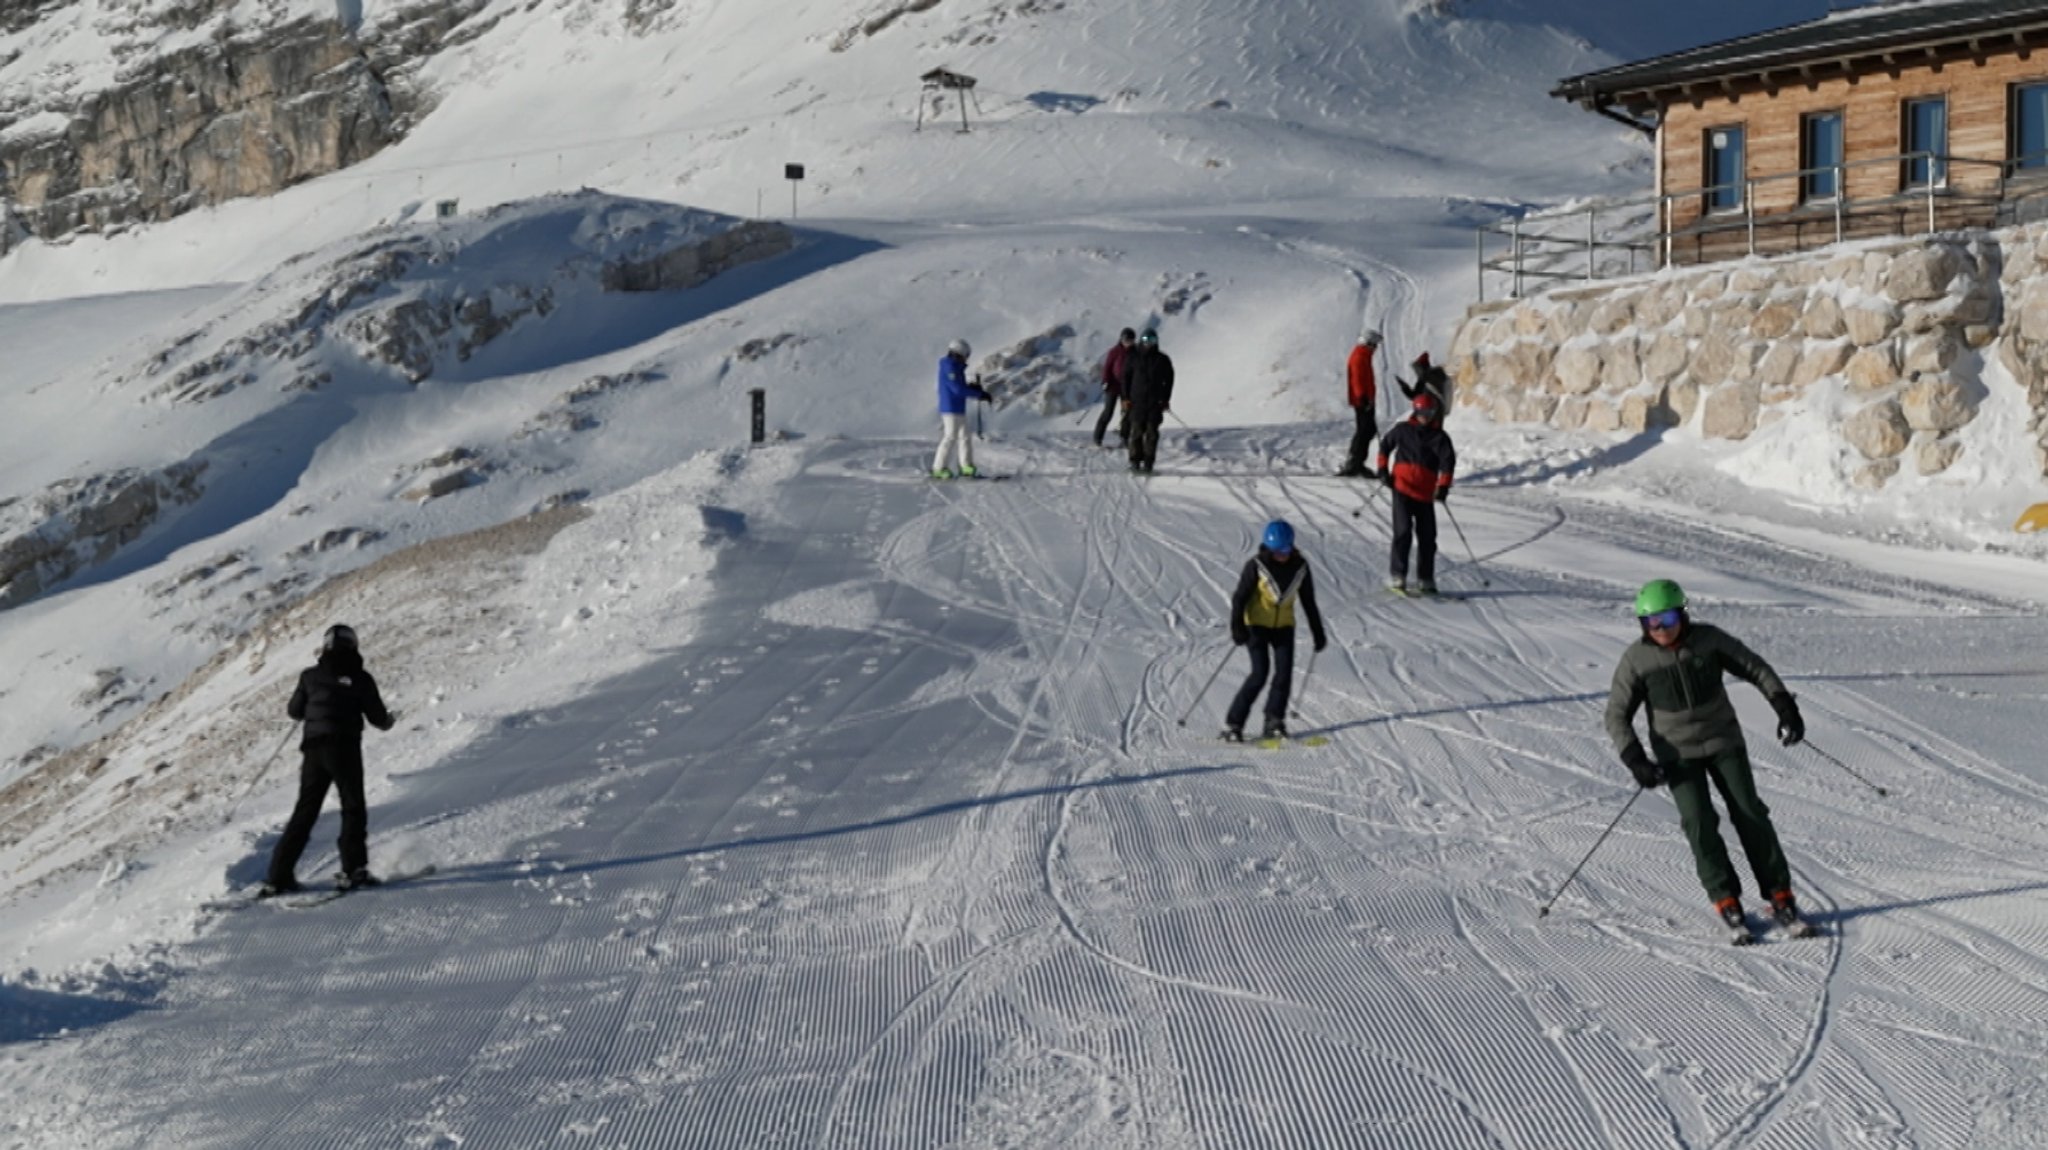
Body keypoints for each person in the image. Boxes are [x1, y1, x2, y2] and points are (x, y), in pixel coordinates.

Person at [1603, 579, 1815, 940]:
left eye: (1668, 619)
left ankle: (1780, 894)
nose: (1661, 629)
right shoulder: (1636, 660)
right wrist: (1635, 758)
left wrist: (1784, 705)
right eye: (1651, 622)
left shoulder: (1710, 640)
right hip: (1677, 755)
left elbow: (1756, 667)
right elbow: (1616, 715)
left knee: (1749, 812)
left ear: (1683, 615)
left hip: (1723, 742)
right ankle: (1725, 898)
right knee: (1698, 821)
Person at [263, 624, 395, 896]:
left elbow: (294, 711)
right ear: (353, 646)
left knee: (305, 811)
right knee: (352, 806)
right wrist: (388, 721)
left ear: (325, 646)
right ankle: (353, 869)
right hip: (344, 748)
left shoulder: (309, 677)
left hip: (313, 750)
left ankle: (278, 877)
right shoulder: (361, 678)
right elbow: (377, 718)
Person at [1221, 520, 1328, 742]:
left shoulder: (1301, 567)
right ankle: (1234, 724)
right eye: (1276, 551)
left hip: (1284, 626)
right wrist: (1237, 626)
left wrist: (1318, 631)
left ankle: (1274, 720)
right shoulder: (1256, 566)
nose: (1281, 555)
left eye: (1286, 550)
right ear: (1268, 548)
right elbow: (1239, 598)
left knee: (1284, 674)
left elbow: (1308, 601)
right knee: (1259, 673)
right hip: (1256, 626)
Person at [1377, 392, 1456, 595]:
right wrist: (1383, 471)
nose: (1425, 416)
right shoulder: (1403, 430)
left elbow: (1448, 463)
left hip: (1425, 493)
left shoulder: (1439, 437)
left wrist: (1443, 486)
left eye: (1429, 412)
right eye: (1421, 412)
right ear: (1415, 411)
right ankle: (1398, 576)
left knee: (1427, 537)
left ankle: (1425, 579)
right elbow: (1385, 446)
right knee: (1403, 532)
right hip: (1402, 488)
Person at [932, 338, 992, 479]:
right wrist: (978, 394)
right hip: (950, 408)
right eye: (966, 355)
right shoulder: (950, 367)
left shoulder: (955, 367)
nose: (966, 358)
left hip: (958, 407)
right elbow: (957, 389)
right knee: (950, 437)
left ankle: (966, 466)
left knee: (965, 436)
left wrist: (971, 387)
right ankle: (938, 468)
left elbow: (960, 387)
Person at [1123, 329, 1175, 474]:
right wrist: (1125, 398)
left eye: (1152, 340)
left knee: (1152, 434)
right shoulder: (1133, 357)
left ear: (1156, 341)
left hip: (1155, 402)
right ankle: (1134, 461)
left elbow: (1169, 381)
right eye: (1146, 339)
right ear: (1141, 340)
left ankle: (1148, 463)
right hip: (1136, 401)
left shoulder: (1162, 359)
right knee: (1136, 432)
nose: (1148, 343)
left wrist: (1165, 399)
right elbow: (1125, 379)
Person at [1335, 328, 1382, 476]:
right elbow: (1357, 378)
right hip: (1362, 400)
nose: (1375, 348)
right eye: (1374, 344)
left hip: (1366, 399)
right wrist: (1363, 397)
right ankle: (1354, 462)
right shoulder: (1359, 356)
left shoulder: (1363, 355)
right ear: (1368, 343)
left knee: (1367, 430)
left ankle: (1357, 462)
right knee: (1364, 430)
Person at [1094, 328, 1136, 448]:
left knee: (1127, 413)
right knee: (1108, 412)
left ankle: (1124, 438)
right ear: (1121, 339)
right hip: (1113, 386)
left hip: (1128, 387)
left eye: (1130, 340)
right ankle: (1098, 438)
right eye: (1126, 340)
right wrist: (1106, 381)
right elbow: (1107, 368)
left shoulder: (1136, 352)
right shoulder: (1114, 351)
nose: (1128, 343)